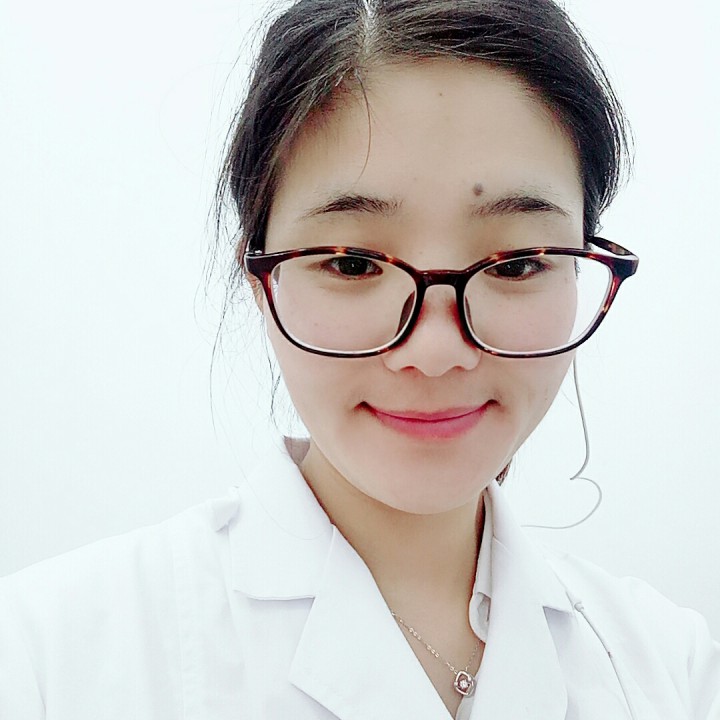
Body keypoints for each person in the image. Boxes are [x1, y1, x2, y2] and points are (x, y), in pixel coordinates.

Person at [1, 0, 718, 718]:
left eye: (517, 263)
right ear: (258, 279)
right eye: (352, 263)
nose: (435, 351)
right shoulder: (48, 658)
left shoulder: (674, 671)